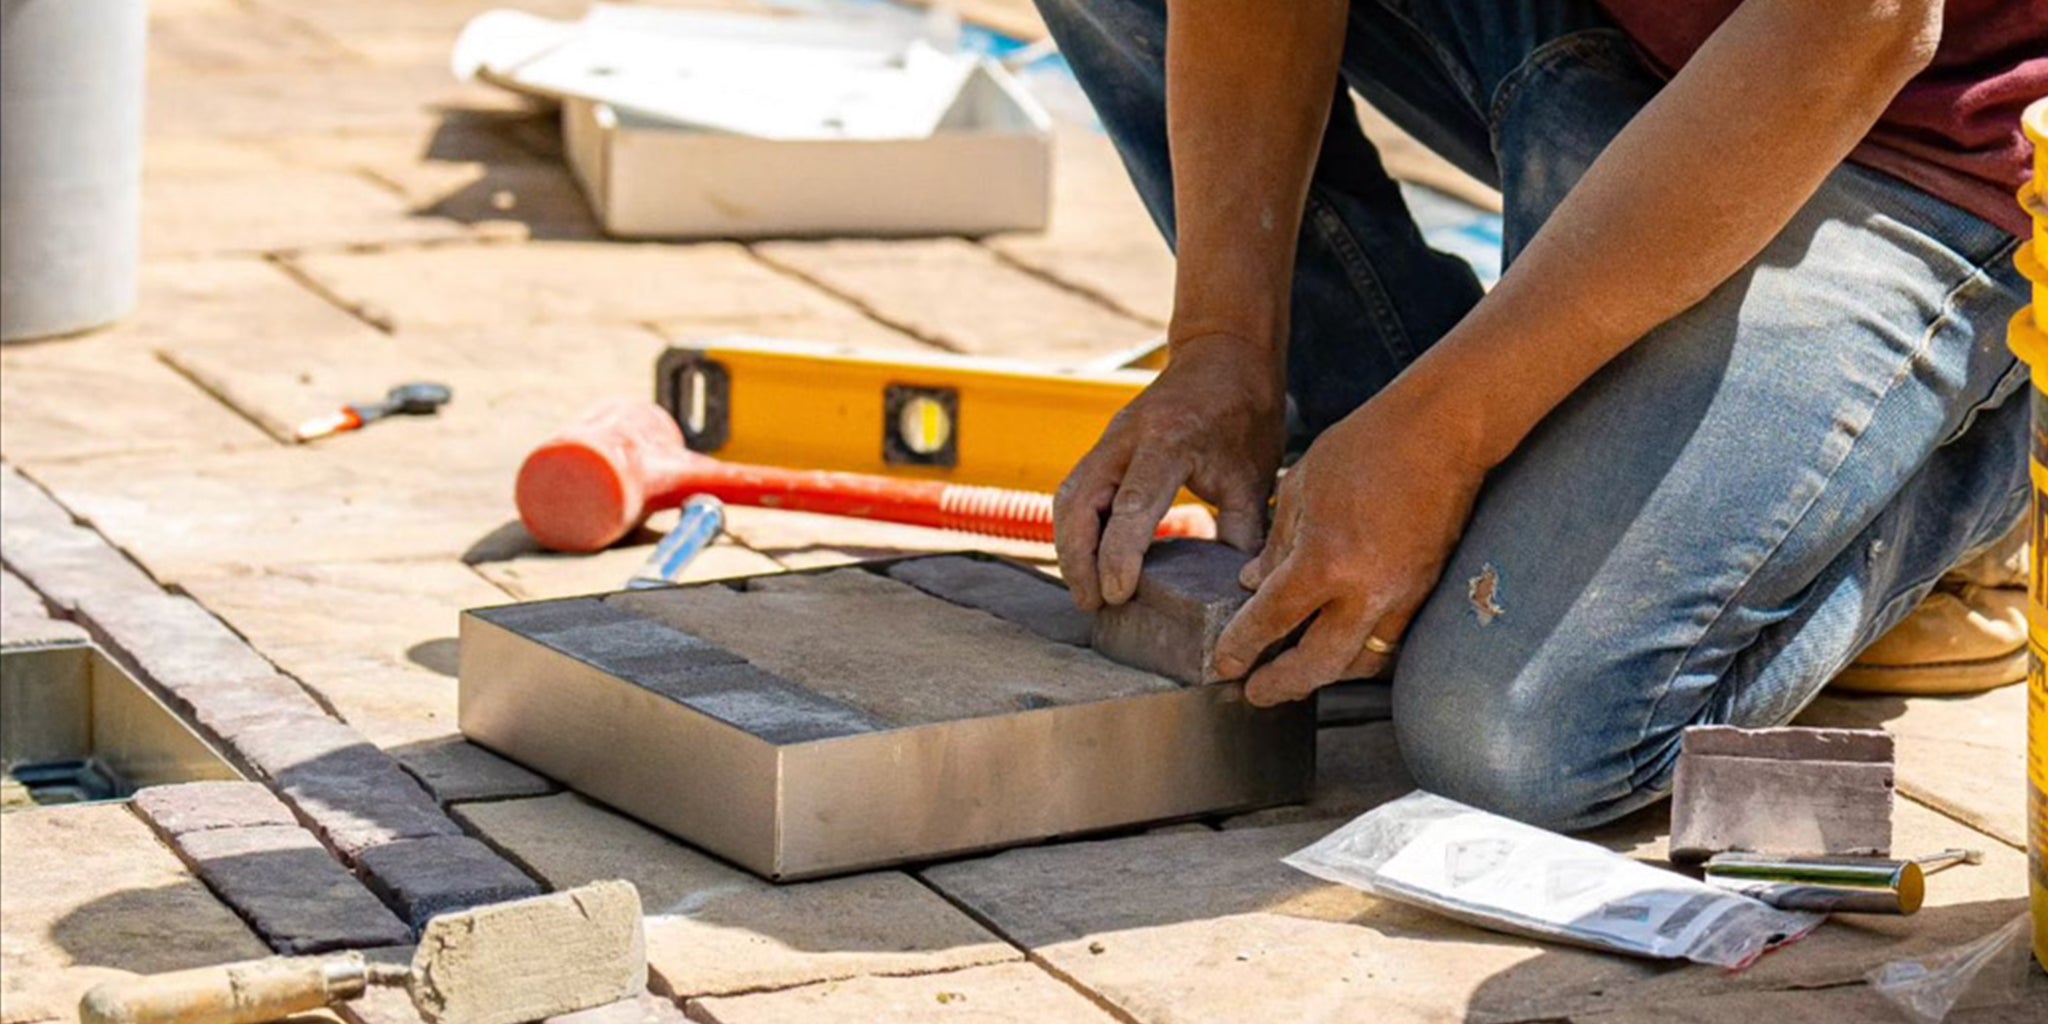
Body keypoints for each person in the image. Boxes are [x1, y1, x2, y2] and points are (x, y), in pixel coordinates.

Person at [1039, 0, 2046, 830]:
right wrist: (1222, 341)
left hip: (1914, 138)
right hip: (1625, 47)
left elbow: (1856, 25)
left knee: (1511, 732)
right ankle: (1411, 482)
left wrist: (1440, 435)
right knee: (1464, 579)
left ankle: (1986, 439)